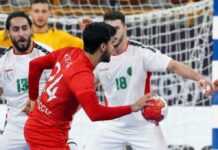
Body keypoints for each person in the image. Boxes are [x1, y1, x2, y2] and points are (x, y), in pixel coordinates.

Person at [75, 11, 212, 150]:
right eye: (108, 30)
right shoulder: (99, 57)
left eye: (116, 29)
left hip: (143, 124)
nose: (112, 34)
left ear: (125, 28)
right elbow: (87, 89)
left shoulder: (141, 53)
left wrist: (200, 78)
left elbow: (173, 66)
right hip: (111, 125)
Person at [24, 22, 151, 149]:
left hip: (41, 127)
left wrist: (33, 98)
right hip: (46, 136)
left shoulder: (69, 52)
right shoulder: (82, 75)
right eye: (111, 43)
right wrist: (133, 107)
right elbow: (95, 113)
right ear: (103, 47)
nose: (113, 47)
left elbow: (35, 65)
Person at [0, 11, 51, 150]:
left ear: (31, 29)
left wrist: (40, 99)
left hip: (45, 125)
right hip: (15, 127)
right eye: (16, 29)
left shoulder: (46, 55)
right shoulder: (3, 62)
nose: (21, 34)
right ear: (8, 33)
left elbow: (63, 89)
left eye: (24, 28)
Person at [0, 0, 83, 50]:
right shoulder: (18, 34)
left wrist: (86, 31)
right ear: (30, 12)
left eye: (44, 11)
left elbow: (88, 47)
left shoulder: (61, 37)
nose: (40, 15)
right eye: (36, 11)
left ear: (50, 12)